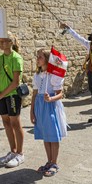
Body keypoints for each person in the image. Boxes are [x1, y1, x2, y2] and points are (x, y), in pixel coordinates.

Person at [30, 49, 67, 177]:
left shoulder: (54, 75)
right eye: (37, 57)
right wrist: (32, 111)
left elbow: (61, 94)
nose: (37, 59)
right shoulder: (37, 76)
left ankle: (54, 163)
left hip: (50, 106)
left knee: (52, 135)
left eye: (40, 57)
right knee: (45, 135)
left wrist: (50, 98)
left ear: (47, 59)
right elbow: (34, 95)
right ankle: (49, 161)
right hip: (40, 107)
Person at [0, 31, 25, 168]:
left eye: (5, 41)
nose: (2, 43)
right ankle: (13, 151)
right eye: (0, 41)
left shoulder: (16, 58)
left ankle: (20, 154)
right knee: (6, 123)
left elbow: (16, 82)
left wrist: (1, 94)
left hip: (12, 95)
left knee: (15, 123)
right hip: (1, 95)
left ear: (11, 42)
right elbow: (0, 75)